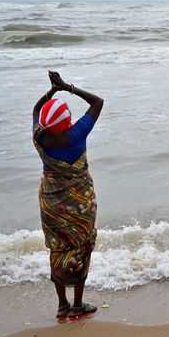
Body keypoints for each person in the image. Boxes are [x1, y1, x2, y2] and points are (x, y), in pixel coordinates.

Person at [32, 71, 104, 320]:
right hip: (80, 203)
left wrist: (51, 92)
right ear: (67, 123)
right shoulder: (76, 136)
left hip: (51, 202)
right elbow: (98, 102)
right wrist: (66, 87)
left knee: (57, 249)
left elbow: (36, 110)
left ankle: (62, 305)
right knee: (82, 248)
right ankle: (77, 305)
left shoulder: (39, 135)